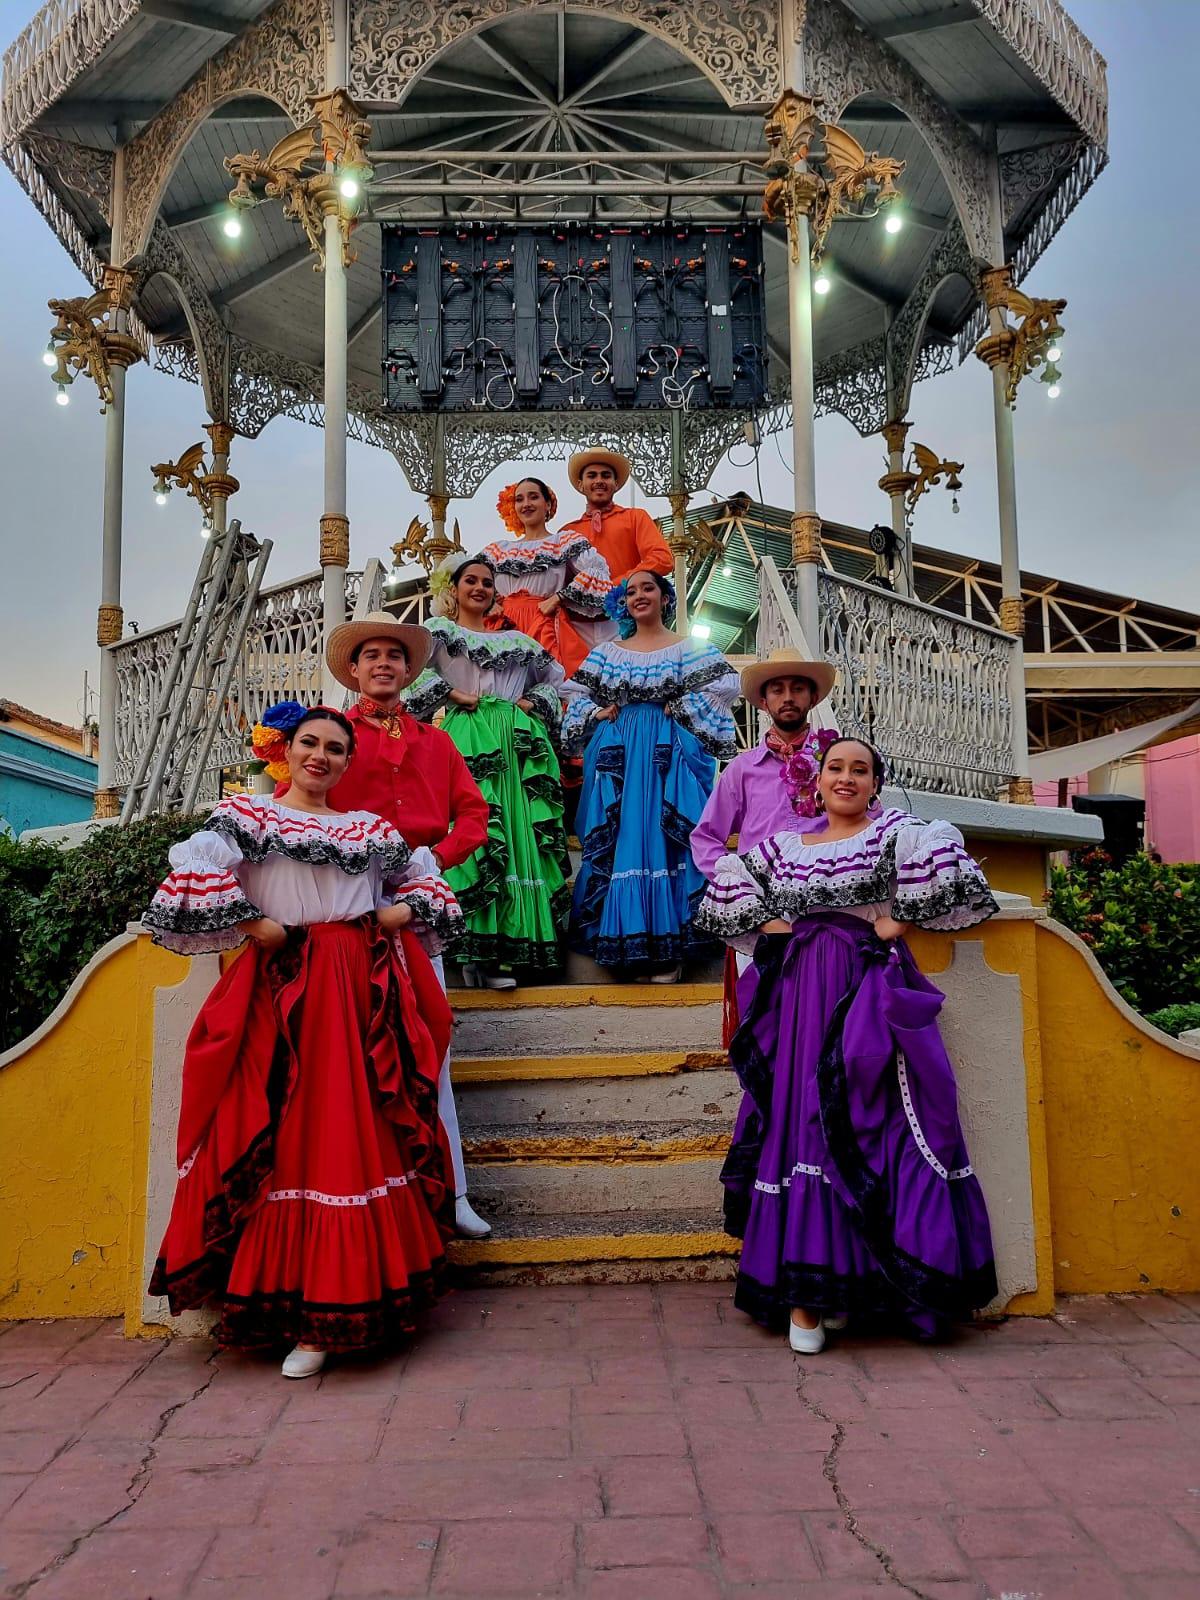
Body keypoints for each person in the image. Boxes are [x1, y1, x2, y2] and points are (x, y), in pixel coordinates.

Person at [144, 704, 463, 1379]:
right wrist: (253, 925)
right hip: (283, 995)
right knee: (281, 1136)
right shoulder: (248, 819)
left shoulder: (368, 829)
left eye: (336, 749)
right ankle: (293, 1312)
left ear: (349, 762)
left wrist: (394, 912)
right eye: (310, 744)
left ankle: (339, 1312)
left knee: (350, 1137)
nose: (321, 757)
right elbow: (192, 885)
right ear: (285, 751)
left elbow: (430, 888)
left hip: (358, 995)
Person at [695, 736, 999, 1352]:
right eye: (837, 767)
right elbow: (728, 888)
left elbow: (950, 869)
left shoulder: (895, 834)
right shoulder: (784, 847)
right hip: (799, 994)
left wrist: (890, 923)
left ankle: (850, 1286)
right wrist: (782, 927)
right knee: (801, 1121)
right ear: (818, 780)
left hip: (866, 991)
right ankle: (806, 1299)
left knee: (866, 1122)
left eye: (860, 770)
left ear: (874, 785)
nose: (847, 777)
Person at [319, 611, 492, 1239]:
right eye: (372, 655)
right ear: (356, 669)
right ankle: (377, 1196)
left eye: (395, 654)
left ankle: (454, 1193)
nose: (384, 663)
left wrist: (435, 859)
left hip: (418, 900)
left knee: (429, 1039)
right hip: (345, 898)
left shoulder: (436, 741)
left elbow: (474, 815)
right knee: (356, 1048)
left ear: (408, 669)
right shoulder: (331, 738)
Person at [562, 570, 740, 982]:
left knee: (665, 839)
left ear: (665, 598)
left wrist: (680, 709)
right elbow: (574, 694)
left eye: (648, 588)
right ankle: (631, 951)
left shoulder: (687, 648)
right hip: (621, 753)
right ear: (622, 603)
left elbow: (727, 685)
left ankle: (669, 951)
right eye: (630, 591)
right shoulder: (609, 653)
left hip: (666, 753)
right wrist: (597, 714)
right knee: (625, 840)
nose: (639, 596)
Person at [403, 550, 570, 987]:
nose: (479, 588)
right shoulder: (438, 632)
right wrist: (452, 695)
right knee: (475, 830)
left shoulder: (517, 642)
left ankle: (504, 952)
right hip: (465, 736)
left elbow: (559, 682)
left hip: (514, 740)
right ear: (452, 590)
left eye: (486, 582)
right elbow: (408, 671)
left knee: (513, 833)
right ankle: (473, 950)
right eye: (470, 581)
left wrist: (532, 703)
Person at [690, 649, 840, 1043]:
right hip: (761, 912)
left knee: (824, 1015)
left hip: (825, 905)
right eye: (778, 689)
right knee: (763, 1016)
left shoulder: (836, 762)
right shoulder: (742, 769)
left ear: (812, 699)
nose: (788, 696)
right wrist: (734, 881)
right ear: (764, 701)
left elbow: (868, 820)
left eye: (797, 688)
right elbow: (705, 837)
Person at [483, 477, 612, 677]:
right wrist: (490, 603)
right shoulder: (498, 549)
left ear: (548, 505)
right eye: (519, 499)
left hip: (543, 622)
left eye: (533, 497)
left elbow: (597, 572)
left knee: (547, 684)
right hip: (503, 626)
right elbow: (462, 577)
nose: (526, 504)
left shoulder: (563, 541)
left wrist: (559, 597)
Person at [560, 448, 674, 585]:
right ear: (581, 485)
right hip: (579, 606)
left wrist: (616, 586)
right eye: (591, 476)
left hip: (626, 603)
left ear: (616, 484)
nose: (599, 480)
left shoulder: (636, 517)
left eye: (606, 475)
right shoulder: (567, 533)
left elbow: (663, 559)